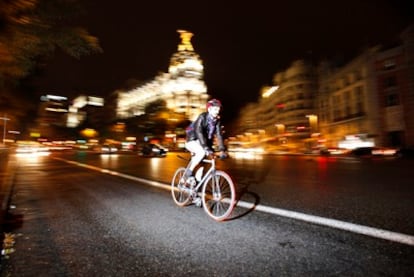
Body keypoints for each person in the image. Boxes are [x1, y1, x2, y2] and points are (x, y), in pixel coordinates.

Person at [185, 98, 227, 184]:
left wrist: (222, 150)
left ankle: (195, 186)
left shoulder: (217, 121)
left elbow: (219, 135)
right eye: (215, 109)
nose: (217, 111)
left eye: (218, 109)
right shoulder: (202, 117)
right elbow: (199, 132)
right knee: (201, 152)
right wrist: (205, 147)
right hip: (192, 140)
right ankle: (188, 173)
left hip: (204, 143)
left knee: (203, 164)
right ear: (209, 109)